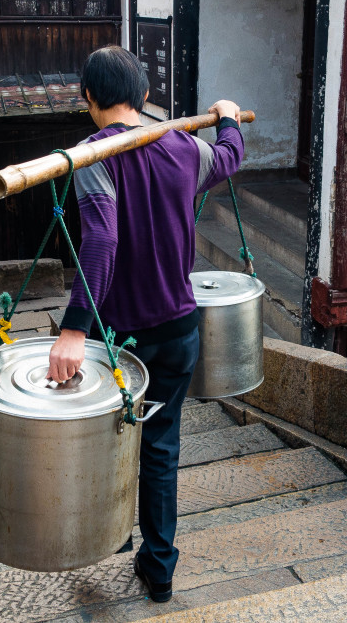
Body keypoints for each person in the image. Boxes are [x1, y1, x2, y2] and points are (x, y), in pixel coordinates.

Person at [46, 45, 244, 602]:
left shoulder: (92, 157)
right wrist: (227, 116)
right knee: (159, 447)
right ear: (146, 97)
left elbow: (102, 238)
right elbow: (229, 156)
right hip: (178, 333)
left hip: (122, 346)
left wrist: (73, 328)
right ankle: (158, 568)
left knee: (100, 441)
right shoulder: (185, 147)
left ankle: (94, 540)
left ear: (88, 98)